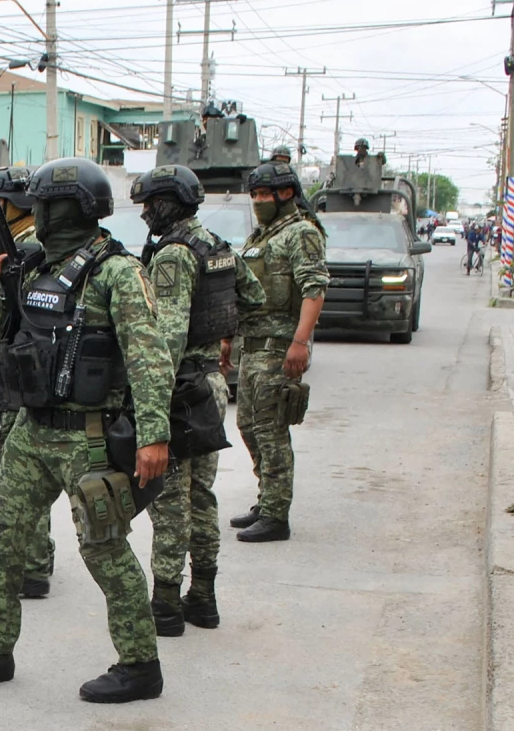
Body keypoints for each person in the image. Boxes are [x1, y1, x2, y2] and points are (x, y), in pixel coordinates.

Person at [0, 157, 175, 703]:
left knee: (103, 550)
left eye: (44, 205)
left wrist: (154, 435)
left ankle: (140, 665)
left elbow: (151, 359)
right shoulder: (29, 267)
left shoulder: (117, 272)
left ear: (66, 208)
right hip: (32, 432)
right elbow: (10, 334)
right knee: (1, 542)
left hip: (89, 436)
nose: (36, 214)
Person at [129, 164, 265, 636]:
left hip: (180, 389)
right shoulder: (218, 247)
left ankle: (165, 605)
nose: (145, 213)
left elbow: (165, 340)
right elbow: (253, 297)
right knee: (201, 497)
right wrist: (223, 342)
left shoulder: (172, 255)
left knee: (169, 501)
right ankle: (203, 598)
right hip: (210, 386)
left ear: (169, 203)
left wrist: (150, 409)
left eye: (149, 204)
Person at [0, 166, 57, 599]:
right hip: (17, 362)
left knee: (22, 474)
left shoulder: (32, 246)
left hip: (28, 371)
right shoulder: (20, 245)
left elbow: (31, 318)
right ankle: (35, 559)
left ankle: (33, 565)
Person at [229, 163, 329, 542]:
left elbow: (314, 289)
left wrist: (300, 342)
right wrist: (229, 342)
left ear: (285, 194)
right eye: (254, 195)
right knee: (248, 427)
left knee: (272, 431)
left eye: (264, 195)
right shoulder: (262, 236)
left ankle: (276, 514)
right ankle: (266, 497)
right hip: (251, 347)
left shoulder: (301, 233)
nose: (258, 201)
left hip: (278, 347)